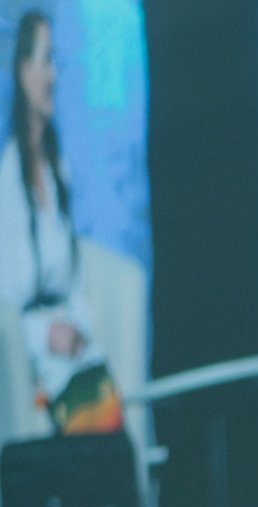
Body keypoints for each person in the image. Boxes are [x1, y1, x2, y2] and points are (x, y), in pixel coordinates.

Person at [0, 9, 109, 436]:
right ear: (23, 71)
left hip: (74, 350)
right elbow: (9, 295)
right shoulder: (7, 180)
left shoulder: (56, 169)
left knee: (111, 436)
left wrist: (78, 327)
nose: (54, 76)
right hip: (34, 357)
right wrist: (48, 334)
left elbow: (73, 279)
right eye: (46, 62)